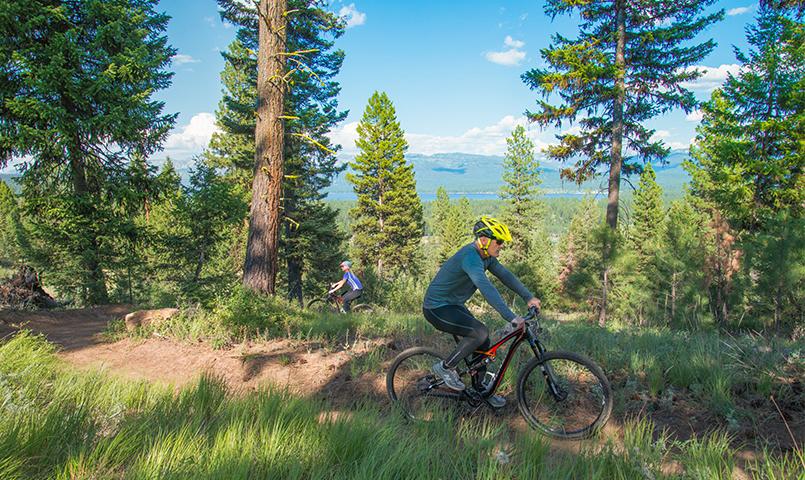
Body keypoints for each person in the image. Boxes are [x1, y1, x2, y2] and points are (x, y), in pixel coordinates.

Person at [423, 216, 541, 408]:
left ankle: (482, 393)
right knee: (479, 332)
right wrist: (511, 317)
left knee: (483, 341)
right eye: (499, 241)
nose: (501, 246)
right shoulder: (470, 257)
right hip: (436, 308)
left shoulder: (486, 257)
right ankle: (445, 367)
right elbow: (486, 288)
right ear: (484, 240)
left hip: (453, 305)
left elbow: (505, 276)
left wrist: (528, 297)